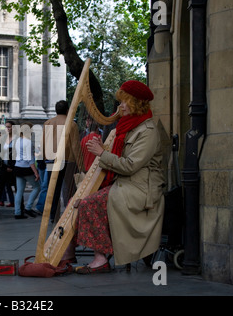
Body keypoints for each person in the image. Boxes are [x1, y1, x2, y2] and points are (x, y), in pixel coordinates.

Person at [63, 80, 165, 274]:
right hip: (126, 184)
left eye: (126, 102)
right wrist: (104, 149)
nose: (121, 106)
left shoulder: (148, 131)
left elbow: (130, 166)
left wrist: (102, 153)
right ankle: (70, 253)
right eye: (121, 102)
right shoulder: (129, 127)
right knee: (77, 202)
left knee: (89, 203)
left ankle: (100, 259)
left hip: (139, 189)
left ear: (137, 104)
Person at [39, 100, 79, 222]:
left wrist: (45, 158)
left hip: (52, 160)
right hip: (68, 160)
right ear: (68, 110)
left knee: (53, 189)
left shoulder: (48, 123)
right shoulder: (72, 124)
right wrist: (79, 163)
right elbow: (75, 146)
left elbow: (44, 143)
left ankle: (53, 216)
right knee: (69, 189)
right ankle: (69, 214)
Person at [13, 122, 40, 219]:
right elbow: (30, 160)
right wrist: (36, 173)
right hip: (26, 168)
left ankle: (17, 212)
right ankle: (28, 207)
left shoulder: (17, 140)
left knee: (19, 191)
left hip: (17, 167)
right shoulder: (28, 142)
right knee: (37, 187)